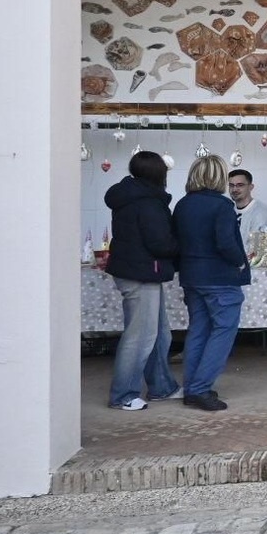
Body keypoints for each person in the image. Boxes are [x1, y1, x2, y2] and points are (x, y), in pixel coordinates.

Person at [103, 151, 183, 411]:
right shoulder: (148, 202)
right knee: (140, 337)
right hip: (142, 274)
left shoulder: (128, 196)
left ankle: (161, 386)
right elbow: (160, 242)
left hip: (136, 271)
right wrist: (182, 245)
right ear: (159, 174)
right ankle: (123, 394)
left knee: (159, 334)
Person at [174, 155, 251, 411]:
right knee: (223, 331)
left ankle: (191, 388)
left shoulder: (183, 205)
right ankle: (200, 388)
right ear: (218, 177)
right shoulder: (222, 206)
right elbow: (226, 243)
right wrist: (240, 262)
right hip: (219, 278)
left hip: (191, 277)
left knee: (198, 330)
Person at [227, 169, 267, 236]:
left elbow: (258, 245)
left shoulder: (262, 213)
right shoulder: (229, 210)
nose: (234, 189)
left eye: (240, 185)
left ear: (250, 187)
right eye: (231, 185)